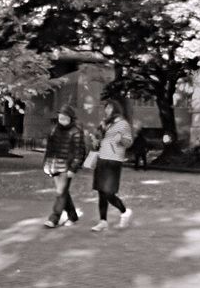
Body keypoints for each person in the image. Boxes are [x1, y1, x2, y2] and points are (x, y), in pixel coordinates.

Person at [90, 99, 134, 232]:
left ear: (115, 109)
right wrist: (95, 140)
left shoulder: (123, 124)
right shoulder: (104, 124)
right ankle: (102, 221)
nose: (107, 110)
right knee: (101, 192)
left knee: (109, 192)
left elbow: (129, 142)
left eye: (109, 108)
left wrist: (121, 139)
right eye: (106, 108)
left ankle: (125, 211)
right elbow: (98, 143)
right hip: (102, 159)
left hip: (114, 161)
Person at [42, 105, 86, 227]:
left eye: (64, 118)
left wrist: (73, 168)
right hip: (55, 165)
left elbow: (80, 152)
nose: (62, 120)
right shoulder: (55, 129)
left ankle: (54, 218)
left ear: (70, 118)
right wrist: (46, 163)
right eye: (60, 117)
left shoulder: (76, 131)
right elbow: (49, 149)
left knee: (61, 192)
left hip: (67, 167)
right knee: (63, 192)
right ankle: (72, 215)